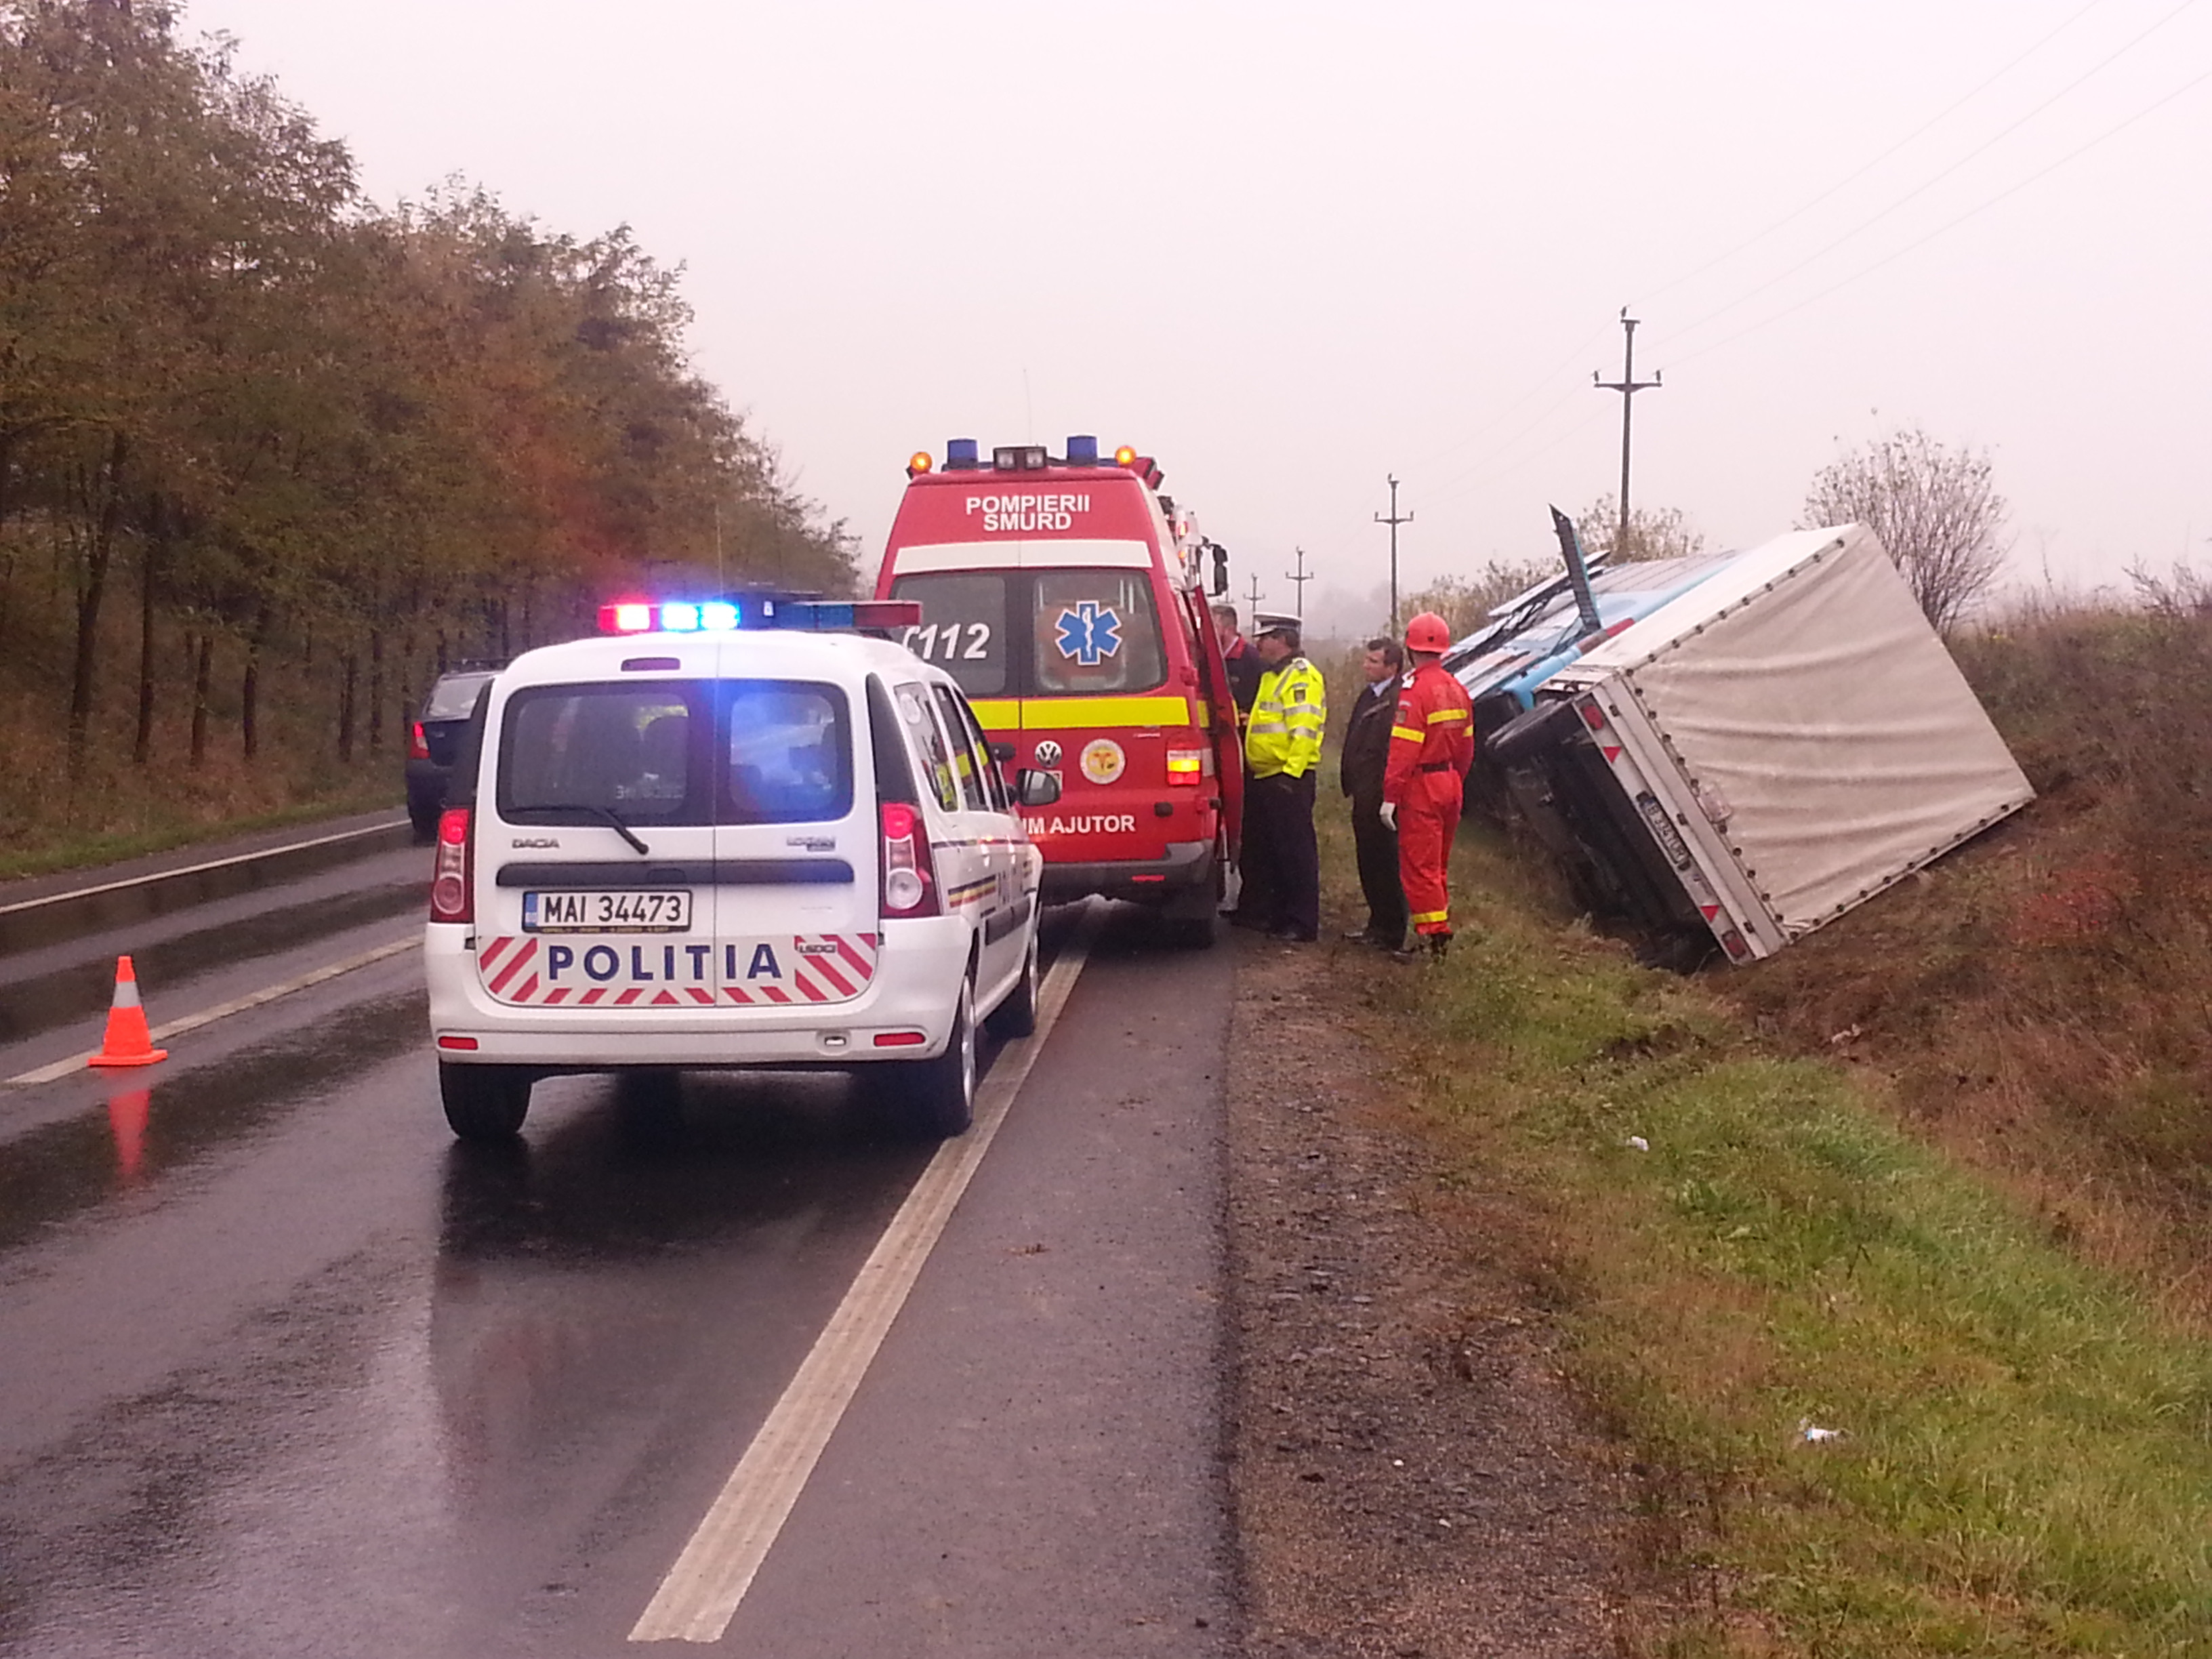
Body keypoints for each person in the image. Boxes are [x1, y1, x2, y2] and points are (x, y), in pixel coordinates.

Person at [1382, 611, 1475, 960]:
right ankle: (1436, 931)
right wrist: (1455, 780)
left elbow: (1403, 751)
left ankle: (1432, 940)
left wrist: (1391, 795)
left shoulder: (1415, 691)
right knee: (1437, 866)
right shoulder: (1457, 688)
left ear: (1410, 647)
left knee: (1419, 869)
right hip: (1450, 781)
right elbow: (1467, 747)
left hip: (1421, 786)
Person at [1231, 612, 1326, 942]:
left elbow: (1305, 730)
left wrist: (1291, 774)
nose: (1258, 644)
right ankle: (1271, 913)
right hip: (1266, 775)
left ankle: (1302, 922)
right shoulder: (1273, 675)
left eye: (1265, 638)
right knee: (1267, 849)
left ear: (1283, 641)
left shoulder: (1300, 677)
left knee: (1295, 852)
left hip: (1288, 778)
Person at [1338, 636, 1408, 947]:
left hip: (1381, 795)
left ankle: (1391, 930)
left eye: (1373, 662)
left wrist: (1386, 796)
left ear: (1392, 666)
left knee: (1385, 864)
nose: (1366, 666)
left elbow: (1390, 752)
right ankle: (1376, 925)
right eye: (1367, 660)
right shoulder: (1370, 695)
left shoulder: (1396, 700)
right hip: (1364, 793)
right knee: (1368, 861)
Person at [1210, 602, 1261, 721]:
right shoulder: (1205, 656)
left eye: (1214, 627)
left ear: (1230, 629)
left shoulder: (1251, 659)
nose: (1206, 632)